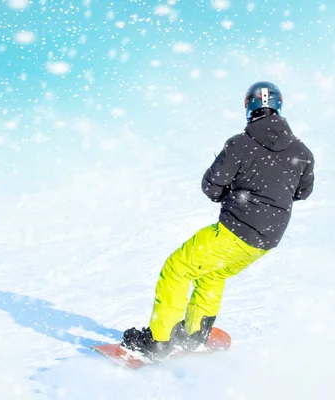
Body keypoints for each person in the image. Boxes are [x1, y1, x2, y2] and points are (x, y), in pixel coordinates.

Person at [121, 81, 315, 360]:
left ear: (248, 106)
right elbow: (303, 191)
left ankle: (158, 342)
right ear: (279, 106)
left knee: (177, 268)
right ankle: (194, 335)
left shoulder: (240, 144)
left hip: (235, 229)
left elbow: (212, 185)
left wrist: (233, 195)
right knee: (213, 274)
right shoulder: (302, 152)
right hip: (266, 240)